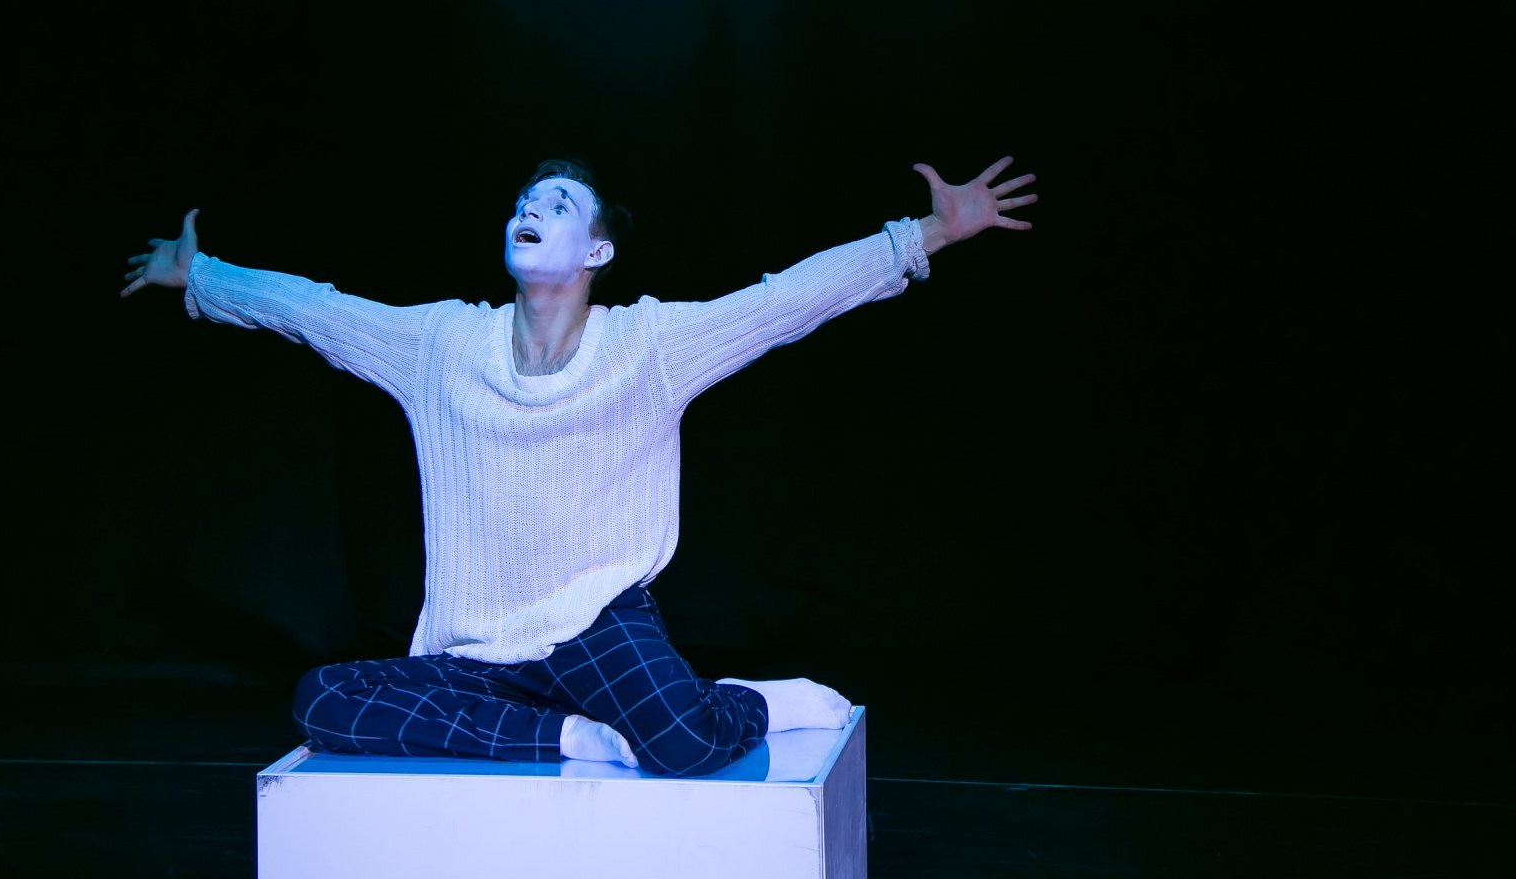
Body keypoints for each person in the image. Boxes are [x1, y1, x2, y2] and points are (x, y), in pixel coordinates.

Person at [121, 154, 1036, 775]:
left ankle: (755, 703)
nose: (530, 210)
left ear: (597, 251)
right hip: (481, 647)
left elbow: (781, 304)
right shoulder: (441, 346)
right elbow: (319, 312)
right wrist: (202, 277)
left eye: (557, 205)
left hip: (597, 626)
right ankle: (565, 738)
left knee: (683, 742)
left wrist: (926, 235)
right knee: (324, 700)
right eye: (525, 202)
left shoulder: (648, 346)